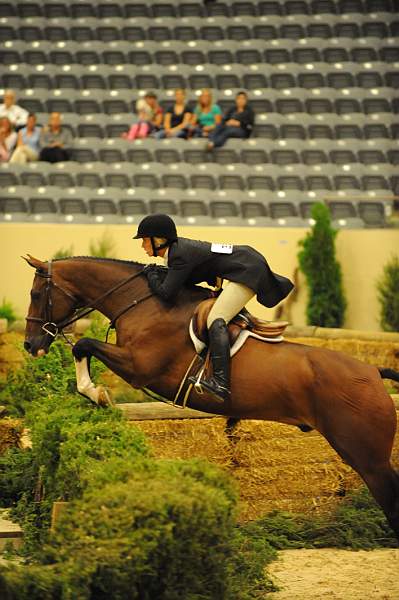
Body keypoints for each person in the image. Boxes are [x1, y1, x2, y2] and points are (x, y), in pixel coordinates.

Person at [134, 214, 294, 403]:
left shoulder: (178, 255)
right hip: (242, 262)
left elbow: (167, 293)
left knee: (216, 319)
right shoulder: (176, 253)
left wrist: (150, 273)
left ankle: (221, 382)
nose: (142, 245)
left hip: (247, 269)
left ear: (158, 240)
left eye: (145, 240)